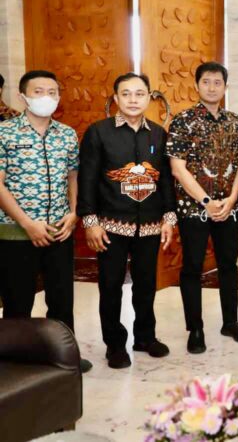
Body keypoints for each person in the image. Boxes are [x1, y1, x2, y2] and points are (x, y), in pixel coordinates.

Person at [78, 73, 177, 369]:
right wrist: (90, 221)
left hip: (149, 225)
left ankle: (145, 337)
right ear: (116, 98)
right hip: (110, 225)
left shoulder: (158, 133)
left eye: (139, 94)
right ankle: (115, 344)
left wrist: (169, 218)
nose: (133, 99)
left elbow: (166, 181)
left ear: (149, 98)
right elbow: (87, 179)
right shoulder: (98, 132)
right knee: (110, 286)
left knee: (146, 284)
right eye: (126, 94)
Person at [0, 70, 91, 373]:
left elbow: (73, 176)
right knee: (17, 302)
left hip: (59, 230)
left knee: (62, 300)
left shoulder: (66, 134)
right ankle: (17, 364)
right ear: (23, 96)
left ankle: (64, 356)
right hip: (16, 233)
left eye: (53, 91)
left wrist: (74, 212)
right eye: (39, 91)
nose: (47, 97)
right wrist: (27, 223)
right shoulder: (5, 133)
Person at [167, 62, 238, 354]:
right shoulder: (183, 120)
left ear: (225, 87)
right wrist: (207, 201)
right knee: (192, 267)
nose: (212, 87)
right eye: (207, 82)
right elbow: (177, 168)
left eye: (218, 82)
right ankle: (196, 328)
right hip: (194, 208)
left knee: (229, 265)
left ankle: (230, 322)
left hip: (229, 207)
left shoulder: (235, 121)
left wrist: (231, 199)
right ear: (197, 85)